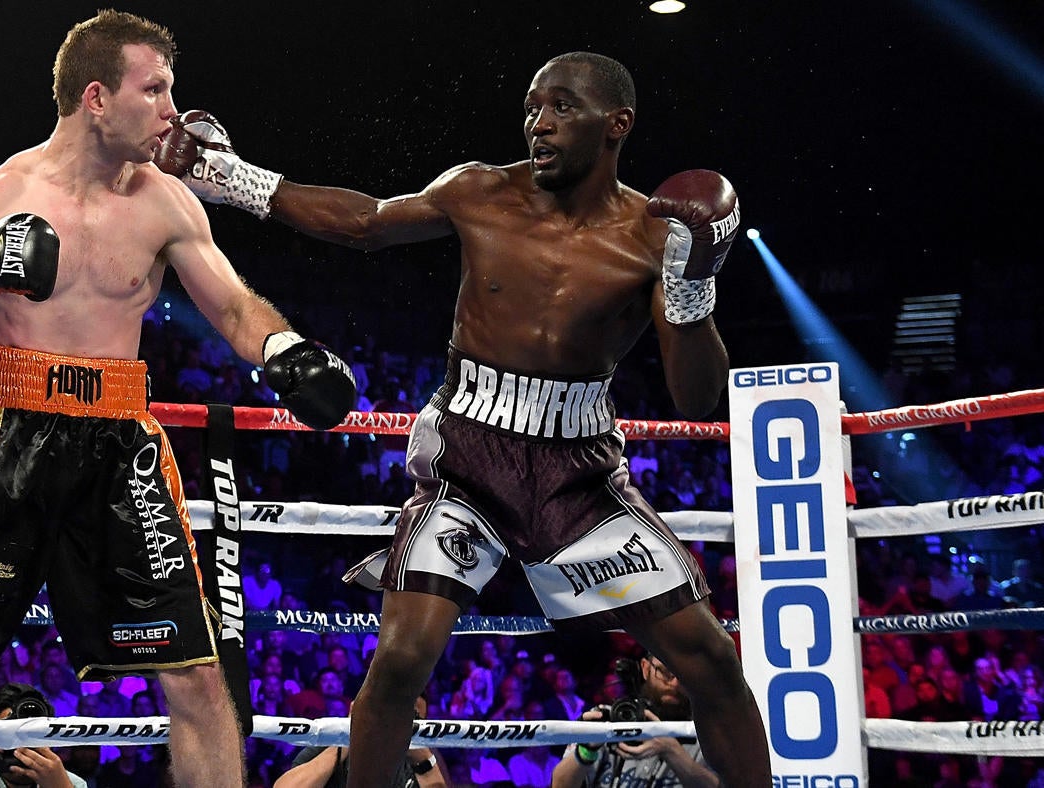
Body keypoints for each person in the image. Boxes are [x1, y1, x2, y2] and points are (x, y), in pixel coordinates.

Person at [157, 51, 770, 786]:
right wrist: (228, 175)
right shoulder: (482, 190)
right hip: (467, 460)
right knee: (402, 660)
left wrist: (692, 282)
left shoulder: (650, 238)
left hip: (580, 475)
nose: (538, 124)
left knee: (710, 659)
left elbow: (697, 398)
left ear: (618, 124)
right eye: (532, 107)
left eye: (562, 107)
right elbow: (365, 223)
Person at [0, 10, 354, 788]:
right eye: (154, 88)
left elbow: (233, 306)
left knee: (196, 676)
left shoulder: (167, 202)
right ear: (96, 97)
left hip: (119, 440)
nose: (173, 109)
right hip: (5, 437)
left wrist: (286, 350)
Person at [551, 653, 718, 788]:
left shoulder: (709, 733)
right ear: (645, 668)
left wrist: (671, 750)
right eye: (665, 672)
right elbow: (559, 785)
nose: (674, 683)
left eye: (684, 675)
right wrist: (586, 751)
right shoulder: (608, 718)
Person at [275, 696, 447, 787]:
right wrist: (348, 738)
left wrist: (423, 759)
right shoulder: (327, 749)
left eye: (415, 717)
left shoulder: (422, 760)